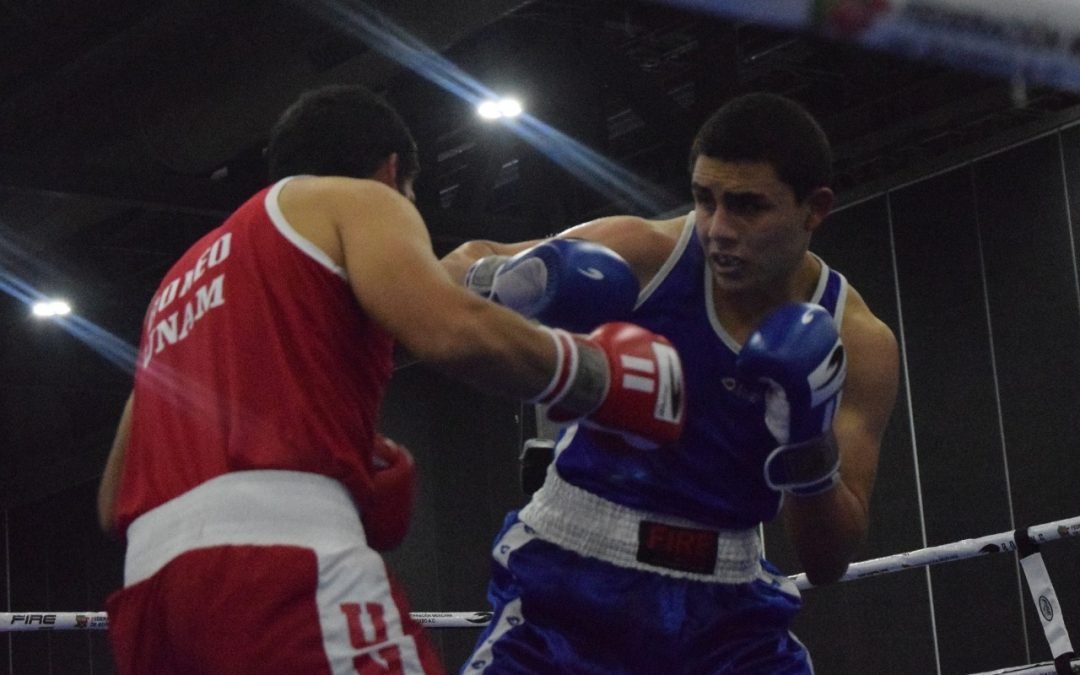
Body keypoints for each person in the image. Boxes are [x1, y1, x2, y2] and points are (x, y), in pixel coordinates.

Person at [95, 84, 687, 675]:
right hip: (275, 569)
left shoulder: (176, 287)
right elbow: (449, 330)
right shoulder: (356, 199)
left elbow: (112, 496)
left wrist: (341, 460)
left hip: (152, 602)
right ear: (392, 169)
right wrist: (598, 375)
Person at [441, 92, 900, 673]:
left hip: (728, 610)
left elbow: (828, 561)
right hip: (572, 579)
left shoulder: (857, 341)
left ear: (815, 209)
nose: (718, 229)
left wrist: (807, 443)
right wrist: (520, 282)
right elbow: (454, 267)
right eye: (705, 200)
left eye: (748, 206)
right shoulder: (646, 255)